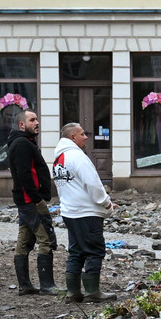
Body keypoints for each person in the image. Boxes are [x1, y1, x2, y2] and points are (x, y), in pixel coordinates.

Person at [52, 123, 117, 303]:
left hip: (70, 212)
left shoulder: (59, 159)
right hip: (87, 213)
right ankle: (92, 291)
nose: (86, 137)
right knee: (95, 251)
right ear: (72, 137)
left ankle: (73, 292)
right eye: (82, 134)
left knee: (76, 251)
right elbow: (93, 184)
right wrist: (106, 204)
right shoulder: (78, 157)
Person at [7, 110, 57, 295]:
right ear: (22, 125)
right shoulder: (21, 144)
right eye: (32, 120)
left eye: (37, 119)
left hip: (26, 200)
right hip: (30, 201)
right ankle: (47, 285)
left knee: (25, 240)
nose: (37, 123)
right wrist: (37, 198)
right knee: (46, 239)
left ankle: (25, 285)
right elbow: (24, 174)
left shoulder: (24, 142)